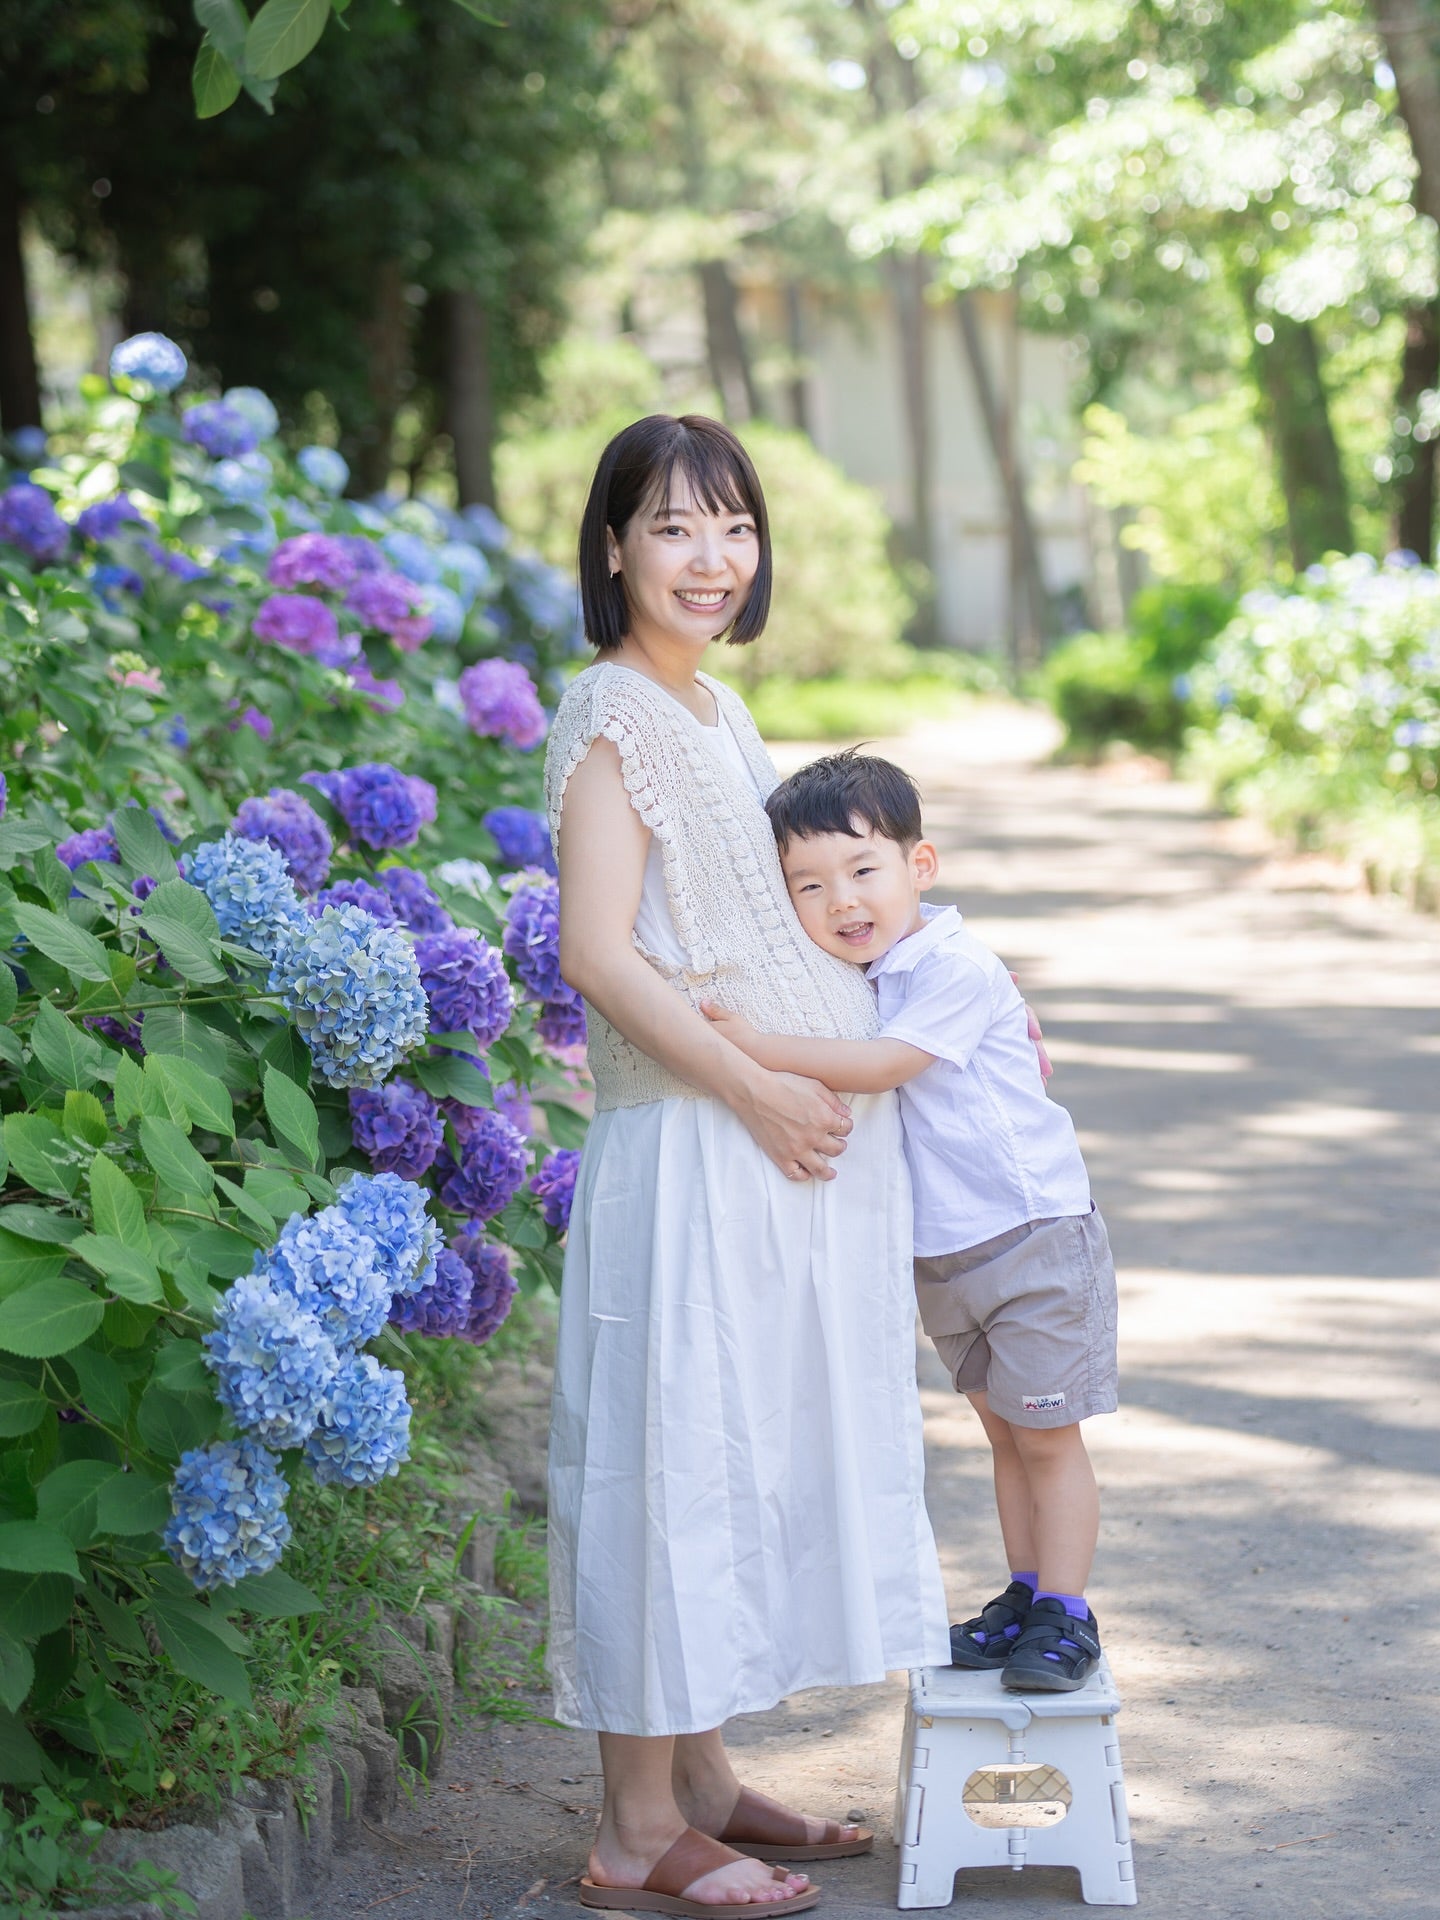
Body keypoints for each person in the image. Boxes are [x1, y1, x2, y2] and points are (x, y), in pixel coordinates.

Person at [545, 418, 951, 1917]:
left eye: (734, 526)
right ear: (612, 549)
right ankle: (637, 1832)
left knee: (717, 1460)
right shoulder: (610, 716)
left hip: (753, 1150)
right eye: (671, 528)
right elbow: (598, 951)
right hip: (691, 1144)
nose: (711, 559)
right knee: (666, 1463)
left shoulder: (711, 708)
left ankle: (704, 1780)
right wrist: (760, 1090)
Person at [703, 749, 1118, 1695]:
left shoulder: (953, 967)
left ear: (917, 867)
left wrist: (753, 1049)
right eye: (808, 886)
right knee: (1005, 1434)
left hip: (1032, 1236)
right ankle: (1024, 1591)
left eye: (862, 871)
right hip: (947, 1256)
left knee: (1049, 1436)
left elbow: (889, 1064)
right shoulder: (866, 975)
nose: (841, 901)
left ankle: (1069, 1611)